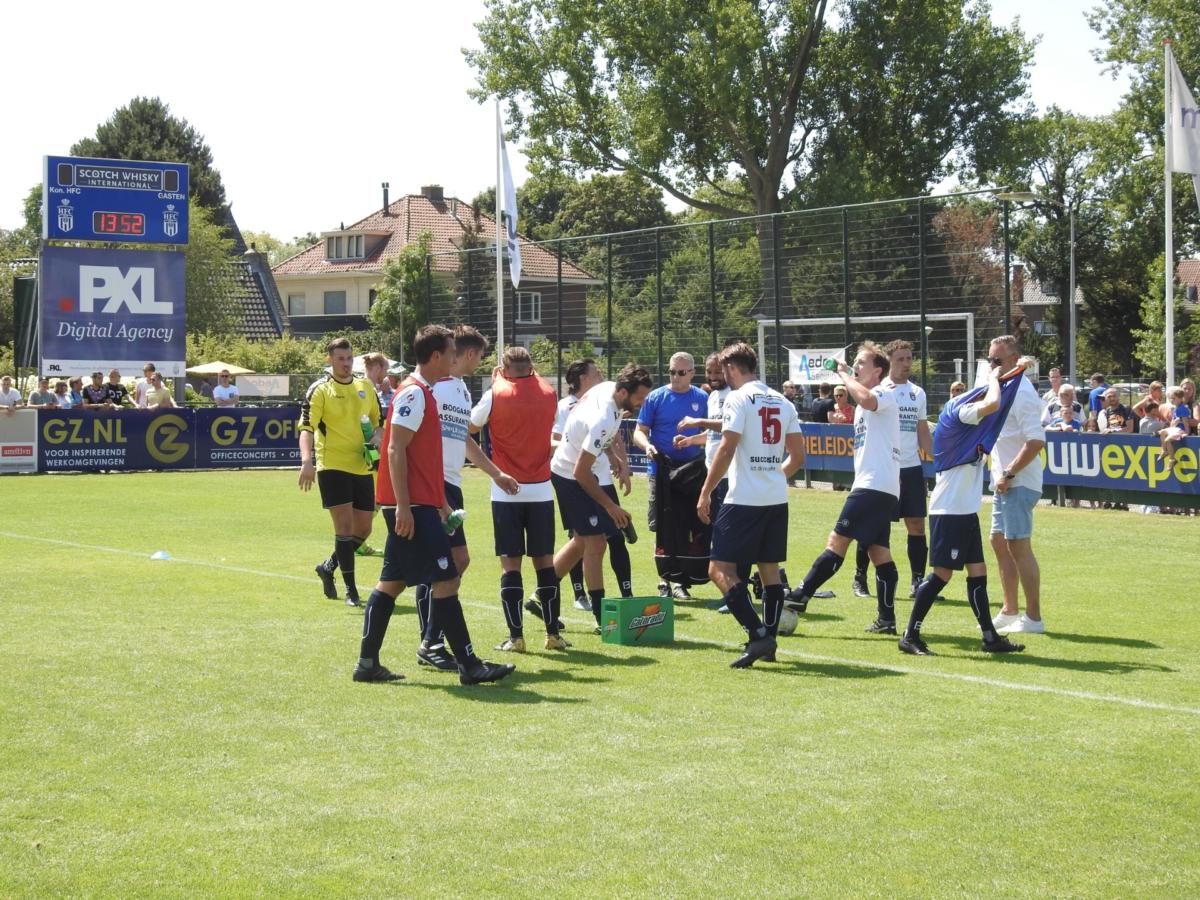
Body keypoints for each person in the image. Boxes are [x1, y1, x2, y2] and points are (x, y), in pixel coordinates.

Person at [356, 324, 515, 686]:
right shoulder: (414, 394)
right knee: (446, 578)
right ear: (437, 356)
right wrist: (406, 507)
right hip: (412, 506)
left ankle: (367, 663)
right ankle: (468, 664)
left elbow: (424, 457)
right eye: (451, 352)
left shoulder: (426, 392)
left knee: (391, 583)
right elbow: (395, 449)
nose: (456, 358)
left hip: (426, 502)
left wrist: (440, 502)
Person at [898, 364, 1025, 656]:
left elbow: (993, 406)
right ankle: (910, 635)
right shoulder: (958, 411)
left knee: (978, 572)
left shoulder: (965, 415)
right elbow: (993, 403)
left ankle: (990, 637)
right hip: (950, 509)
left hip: (964, 511)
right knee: (942, 574)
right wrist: (995, 380)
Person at [414, 326, 521, 671]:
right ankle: (431, 641)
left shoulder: (459, 388)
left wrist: (496, 473)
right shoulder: (434, 388)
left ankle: (432, 640)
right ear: (468, 353)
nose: (479, 364)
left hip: (451, 483)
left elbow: (464, 440)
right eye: (480, 356)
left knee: (454, 562)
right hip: (434, 483)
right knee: (443, 564)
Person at [697, 343, 804, 668]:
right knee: (768, 570)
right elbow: (798, 457)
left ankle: (758, 634)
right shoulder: (783, 401)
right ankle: (768, 642)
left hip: (743, 498)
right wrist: (772, 476)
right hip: (775, 498)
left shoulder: (738, 398)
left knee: (718, 569)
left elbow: (727, 448)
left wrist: (705, 491)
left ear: (732, 368)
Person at [787, 341, 902, 635]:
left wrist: (843, 374)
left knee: (837, 540)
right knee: (879, 553)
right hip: (880, 485)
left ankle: (802, 594)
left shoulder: (884, 392)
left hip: (873, 486)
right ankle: (887, 619)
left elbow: (865, 400)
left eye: (861, 363)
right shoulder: (869, 396)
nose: (855, 366)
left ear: (877, 370)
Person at [469, 346, 560, 653]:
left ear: (504, 368)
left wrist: (499, 386)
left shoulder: (496, 392)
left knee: (510, 565)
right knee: (544, 563)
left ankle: (516, 637)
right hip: (542, 488)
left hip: (506, 489)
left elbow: (470, 427)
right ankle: (553, 634)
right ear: (531, 366)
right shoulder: (549, 392)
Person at [550, 364, 652, 632]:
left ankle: (542, 593)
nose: (641, 404)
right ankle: (600, 616)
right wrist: (611, 506)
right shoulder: (604, 418)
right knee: (595, 543)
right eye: (639, 398)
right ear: (622, 391)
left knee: (585, 541)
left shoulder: (608, 390)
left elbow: (594, 436)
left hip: (578, 470)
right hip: (570, 475)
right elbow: (580, 472)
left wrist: (613, 456)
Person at [298, 337, 382, 607]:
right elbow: (306, 428)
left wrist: (376, 442)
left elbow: (378, 424)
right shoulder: (320, 389)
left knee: (364, 528)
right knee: (344, 527)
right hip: (332, 465)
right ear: (330, 360)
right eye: (340, 359)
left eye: (348, 358)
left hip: (362, 466)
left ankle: (328, 566)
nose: (345, 364)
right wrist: (306, 461)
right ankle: (352, 591)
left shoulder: (365, 387)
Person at [850, 340, 931, 600]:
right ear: (888, 362)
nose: (906, 363)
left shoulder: (918, 393)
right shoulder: (879, 390)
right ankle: (860, 577)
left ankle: (918, 581)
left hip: (910, 468)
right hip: (885, 469)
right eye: (900, 359)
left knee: (917, 525)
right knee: (873, 526)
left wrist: (937, 458)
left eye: (909, 358)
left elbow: (922, 432)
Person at [632, 351, 709, 600]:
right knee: (663, 525)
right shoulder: (656, 397)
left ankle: (682, 581)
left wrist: (691, 443)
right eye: (672, 372)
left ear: (692, 374)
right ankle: (665, 579)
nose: (675, 377)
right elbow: (639, 431)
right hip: (661, 470)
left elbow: (713, 433)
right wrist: (648, 447)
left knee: (688, 524)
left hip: (693, 471)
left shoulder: (702, 398)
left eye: (681, 372)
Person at [987, 337, 1046, 636]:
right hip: (1003, 480)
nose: (992, 366)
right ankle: (1010, 609)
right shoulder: (1005, 388)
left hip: (1017, 480)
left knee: (1018, 545)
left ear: (1014, 359)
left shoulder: (1022, 393)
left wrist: (1009, 473)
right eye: (990, 360)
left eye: (997, 360)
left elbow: (1036, 442)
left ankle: (1033, 617)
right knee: (999, 543)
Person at [1158, 387, 1192, 471]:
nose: (1171, 400)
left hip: (1180, 431)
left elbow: (1185, 422)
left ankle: (1172, 460)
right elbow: (1174, 423)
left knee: (1167, 440)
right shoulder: (1175, 408)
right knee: (1162, 432)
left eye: (1173, 398)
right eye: (1170, 398)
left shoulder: (1182, 409)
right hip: (1175, 429)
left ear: (1180, 398)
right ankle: (1164, 451)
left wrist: (1187, 433)